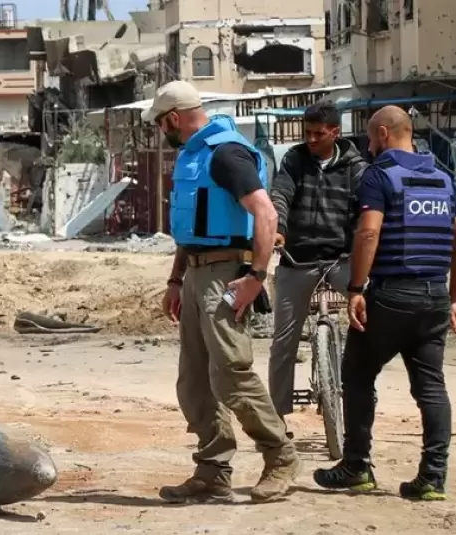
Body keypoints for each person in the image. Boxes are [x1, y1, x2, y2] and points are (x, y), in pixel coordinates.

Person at [147, 80, 299, 504]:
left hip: (226, 276)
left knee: (231, 373)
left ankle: (281, 456)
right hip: (197, 274)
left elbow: (265, 214)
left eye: (160, 123)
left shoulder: (226, 153)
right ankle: (212, 472)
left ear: (173, 119)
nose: (160, 131)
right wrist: (176, 281)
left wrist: (255, 277)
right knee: (195, 381)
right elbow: (191, 227)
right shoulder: (195, 155)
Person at [313, 105, 453, 501]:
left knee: (357, 374)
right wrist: (453, 299)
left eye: (371, 137)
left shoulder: (380, 175)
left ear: (384, 134)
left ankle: (356, 466)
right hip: (435, 295)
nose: (369, 145)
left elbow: (369, 233)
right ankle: (433, 476)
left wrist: (356, 288)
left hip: (392, 295)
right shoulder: (444, 179)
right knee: (431, 386)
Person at [268, 101, 368, 437]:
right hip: (297, 259)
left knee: (371, 322)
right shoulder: (294, 159)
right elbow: (280, 195)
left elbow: (365, 213)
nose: (311, 139)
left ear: (335, 132)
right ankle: (276, 422)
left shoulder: (356, 167)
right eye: (307, 133)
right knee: (283, 341)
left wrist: (361, 249)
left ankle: (361, 403)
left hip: (341, 259)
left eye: (318, 133)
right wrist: (278, 228)